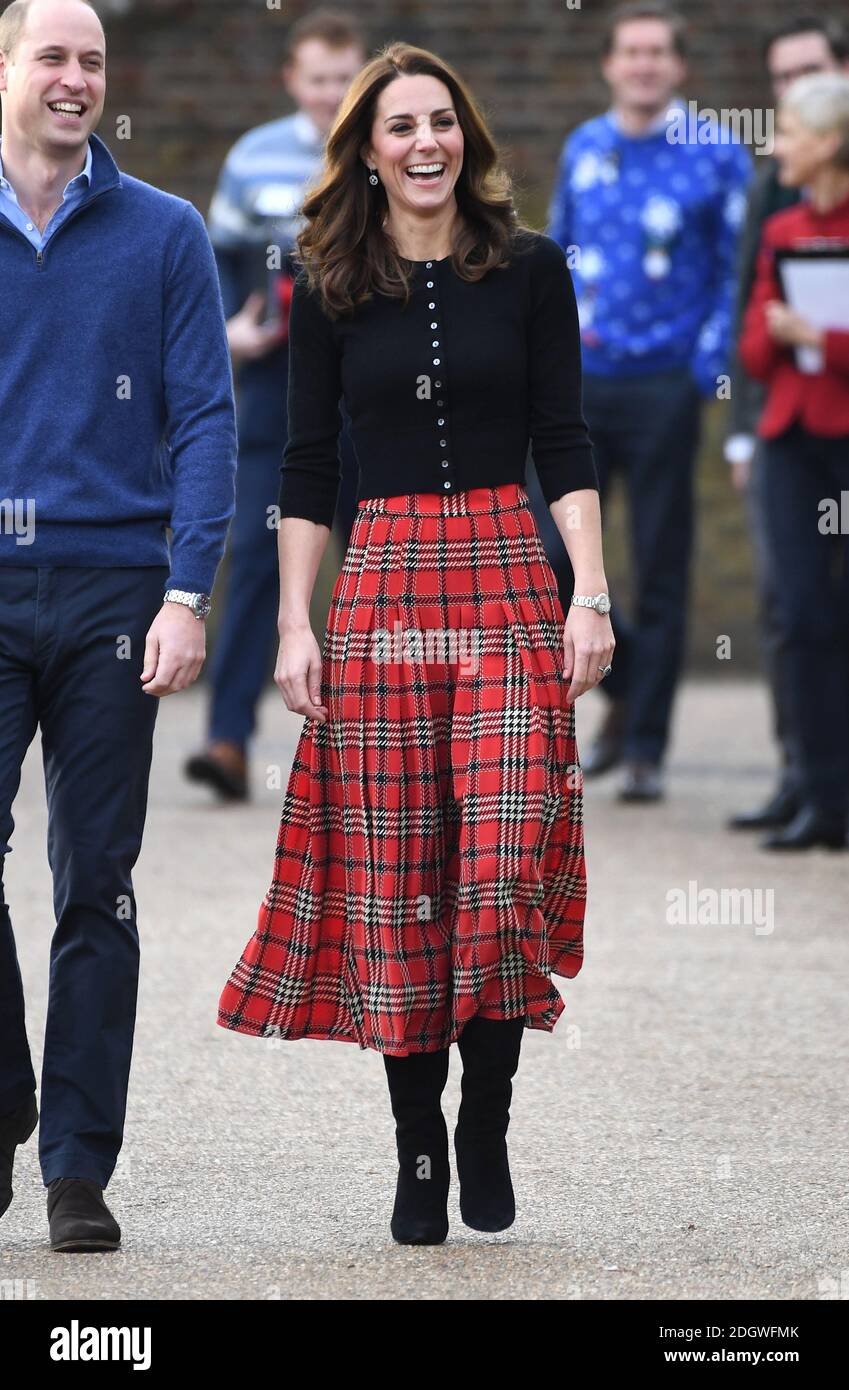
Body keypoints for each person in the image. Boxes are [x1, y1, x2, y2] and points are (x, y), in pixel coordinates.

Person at [217, 41, 613, 1245]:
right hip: (381, 584)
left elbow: (565, 433)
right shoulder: (329, 280)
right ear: (368, 151)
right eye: (401, 127)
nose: (426, 143)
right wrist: (295, 621)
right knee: (398, 887)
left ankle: (485, 1108)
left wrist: (587, 590)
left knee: (496, 867)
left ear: (468, 138)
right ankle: (420, 1143)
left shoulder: (533, 269)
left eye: (443, 120)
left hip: (503, 574)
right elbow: (306, 466)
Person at [0, 0, 236, 1249]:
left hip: (111, 591)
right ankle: (7, 1097)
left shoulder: (165, 233)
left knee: (97, 883)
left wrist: (186, 589)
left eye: (93, 60)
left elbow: (205, 418)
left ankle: (77, 1166)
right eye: (53, 56)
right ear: (5, 70)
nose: (76, 79)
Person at [547, 1, 751, 801]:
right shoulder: (584, 147)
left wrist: (704, 370)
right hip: (586, 383)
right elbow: (555, 261)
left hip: (666, 385)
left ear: (676, 65)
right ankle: (621, 693)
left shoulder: (716, 150)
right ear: (608, 63)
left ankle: (644, 747)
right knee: (553, 552)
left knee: (660, 563)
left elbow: (735, 272)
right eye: (628, 51)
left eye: (655, 52)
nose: (641, 64)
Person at [184, 9, 365, 802]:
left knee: (372, 569)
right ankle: (227, 740)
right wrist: (229, 331)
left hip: (370, 398)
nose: (331, 93)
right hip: (271, 392)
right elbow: (215, 262)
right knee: (256, 564)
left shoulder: (385, 145)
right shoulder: (251, 157)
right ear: (292, 78)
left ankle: (374, 746)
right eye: (318, 78)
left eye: (342, 77)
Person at [725, 16, 849, 834]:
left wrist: (825, 338)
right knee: (797, 615)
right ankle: (816, 789)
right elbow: (750, 347)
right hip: (789, 441)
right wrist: (772, 335)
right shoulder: (779, 228)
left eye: (794, 133)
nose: (779, 145)